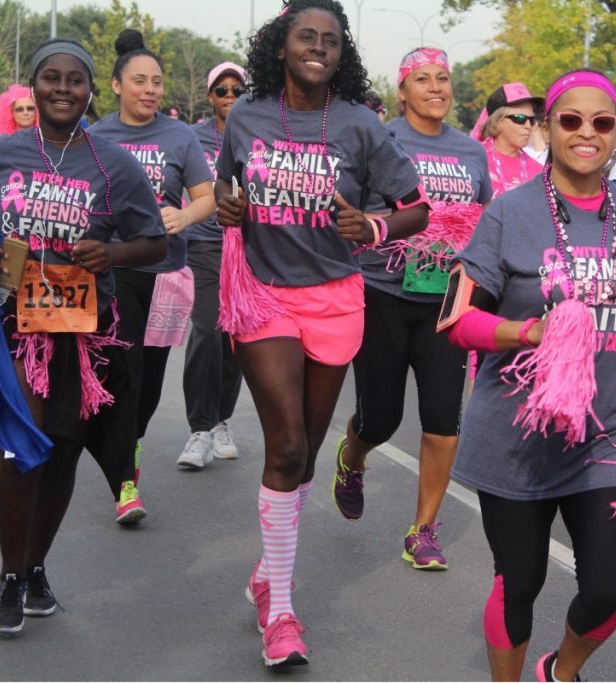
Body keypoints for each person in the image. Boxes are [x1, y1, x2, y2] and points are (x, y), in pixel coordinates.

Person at [446, 70, 616, 681]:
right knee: (520, 580)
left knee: (608, 586)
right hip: (518, 435)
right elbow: (459, 321)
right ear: (548, 128)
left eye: (602, 123)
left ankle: (561, 671)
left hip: (611, 430)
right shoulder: (509, 213)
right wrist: (528, 333)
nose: (586, 133)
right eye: (570, 120)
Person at [215, 0, 429, 666]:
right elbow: (227, 192)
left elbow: (416, 209)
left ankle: (266, 570)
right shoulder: (246, 117)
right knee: (283, 443)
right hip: (262, 294)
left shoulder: (361, 125)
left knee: (304, 453)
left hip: (336, 298)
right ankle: (280, 609)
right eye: (305, 37)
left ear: (342, 54)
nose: (318, 47)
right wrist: (228, 206)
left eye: (330, 40)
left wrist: (371, 228)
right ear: (280, 47)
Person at [0, 37, 166, 634]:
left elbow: (156, 242)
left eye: (74, 80)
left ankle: (35, 568)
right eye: (50, 78)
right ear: (34, 85)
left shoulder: (114, 165)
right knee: (21, 447)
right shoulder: (2, 153)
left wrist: (112, 252)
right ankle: (8, 574)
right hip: (12, 324)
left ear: (89, 90)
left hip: (83, 331)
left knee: (60, 452)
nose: (61, 89)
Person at [332, 47, 491, 570]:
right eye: (421, 79)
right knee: (380, 418)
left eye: (442, 78)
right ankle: (353, 456)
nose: (435, 87)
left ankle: (422, 531)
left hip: (445, 300)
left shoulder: (472, 151)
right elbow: (348, 208)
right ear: (401, 91)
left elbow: (485, 218)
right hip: (382, 292)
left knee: (444, 419)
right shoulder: (382, 139)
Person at [90, 29, 215, 524]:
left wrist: (183, 217)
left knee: (151, 384)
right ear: (117, 85)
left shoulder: (179, 137)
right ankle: (125, 482)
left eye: (157, 82)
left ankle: (130, 442)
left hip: (166, 272)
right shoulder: (96, 138)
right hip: (116, 273)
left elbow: (206, 196)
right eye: (139, 81)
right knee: (126, 372)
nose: (150, 90)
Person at [179, 61, 247, 469]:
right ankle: (199, 428)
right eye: (222, 90)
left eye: (238, 90)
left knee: (232, 341)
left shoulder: (256, 135)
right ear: (210, 96)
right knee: (206, 329)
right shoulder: (192, 137)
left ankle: (221, 420)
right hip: (203, 247)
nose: (230, 97)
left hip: (246, 251)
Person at [473, 82, 544, 198]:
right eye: (520, 118)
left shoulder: (540, 172)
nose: (528, 126)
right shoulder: (474, 161)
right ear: (497, 122)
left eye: (531, 120)